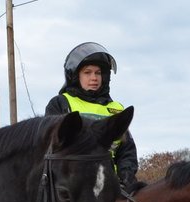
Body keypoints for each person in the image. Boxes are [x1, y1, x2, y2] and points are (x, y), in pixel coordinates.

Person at [45, 42, 142, 192]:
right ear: (76, 76)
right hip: (72, 188)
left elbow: (126, 150)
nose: (94, 78)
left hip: (111, 185)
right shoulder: (61, 103)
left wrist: (126, 178)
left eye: (98, 73)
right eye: (87, 72)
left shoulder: (116, 109)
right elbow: (52, 148)